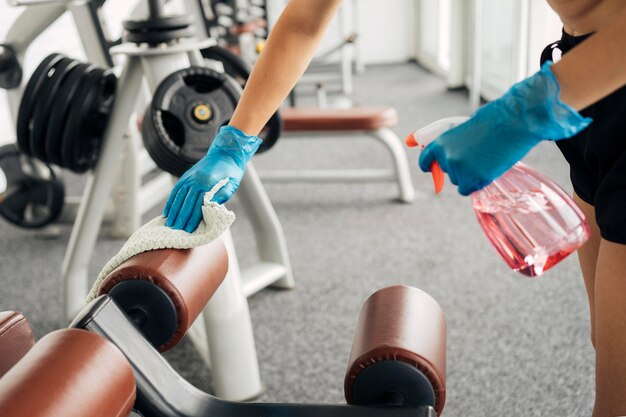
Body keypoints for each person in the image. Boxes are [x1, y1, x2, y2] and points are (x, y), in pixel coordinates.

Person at [164, 0, 626, 415]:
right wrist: (235, 140)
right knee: (608, 346)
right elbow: (306, 20)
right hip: (585, 80)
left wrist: (521, 116)